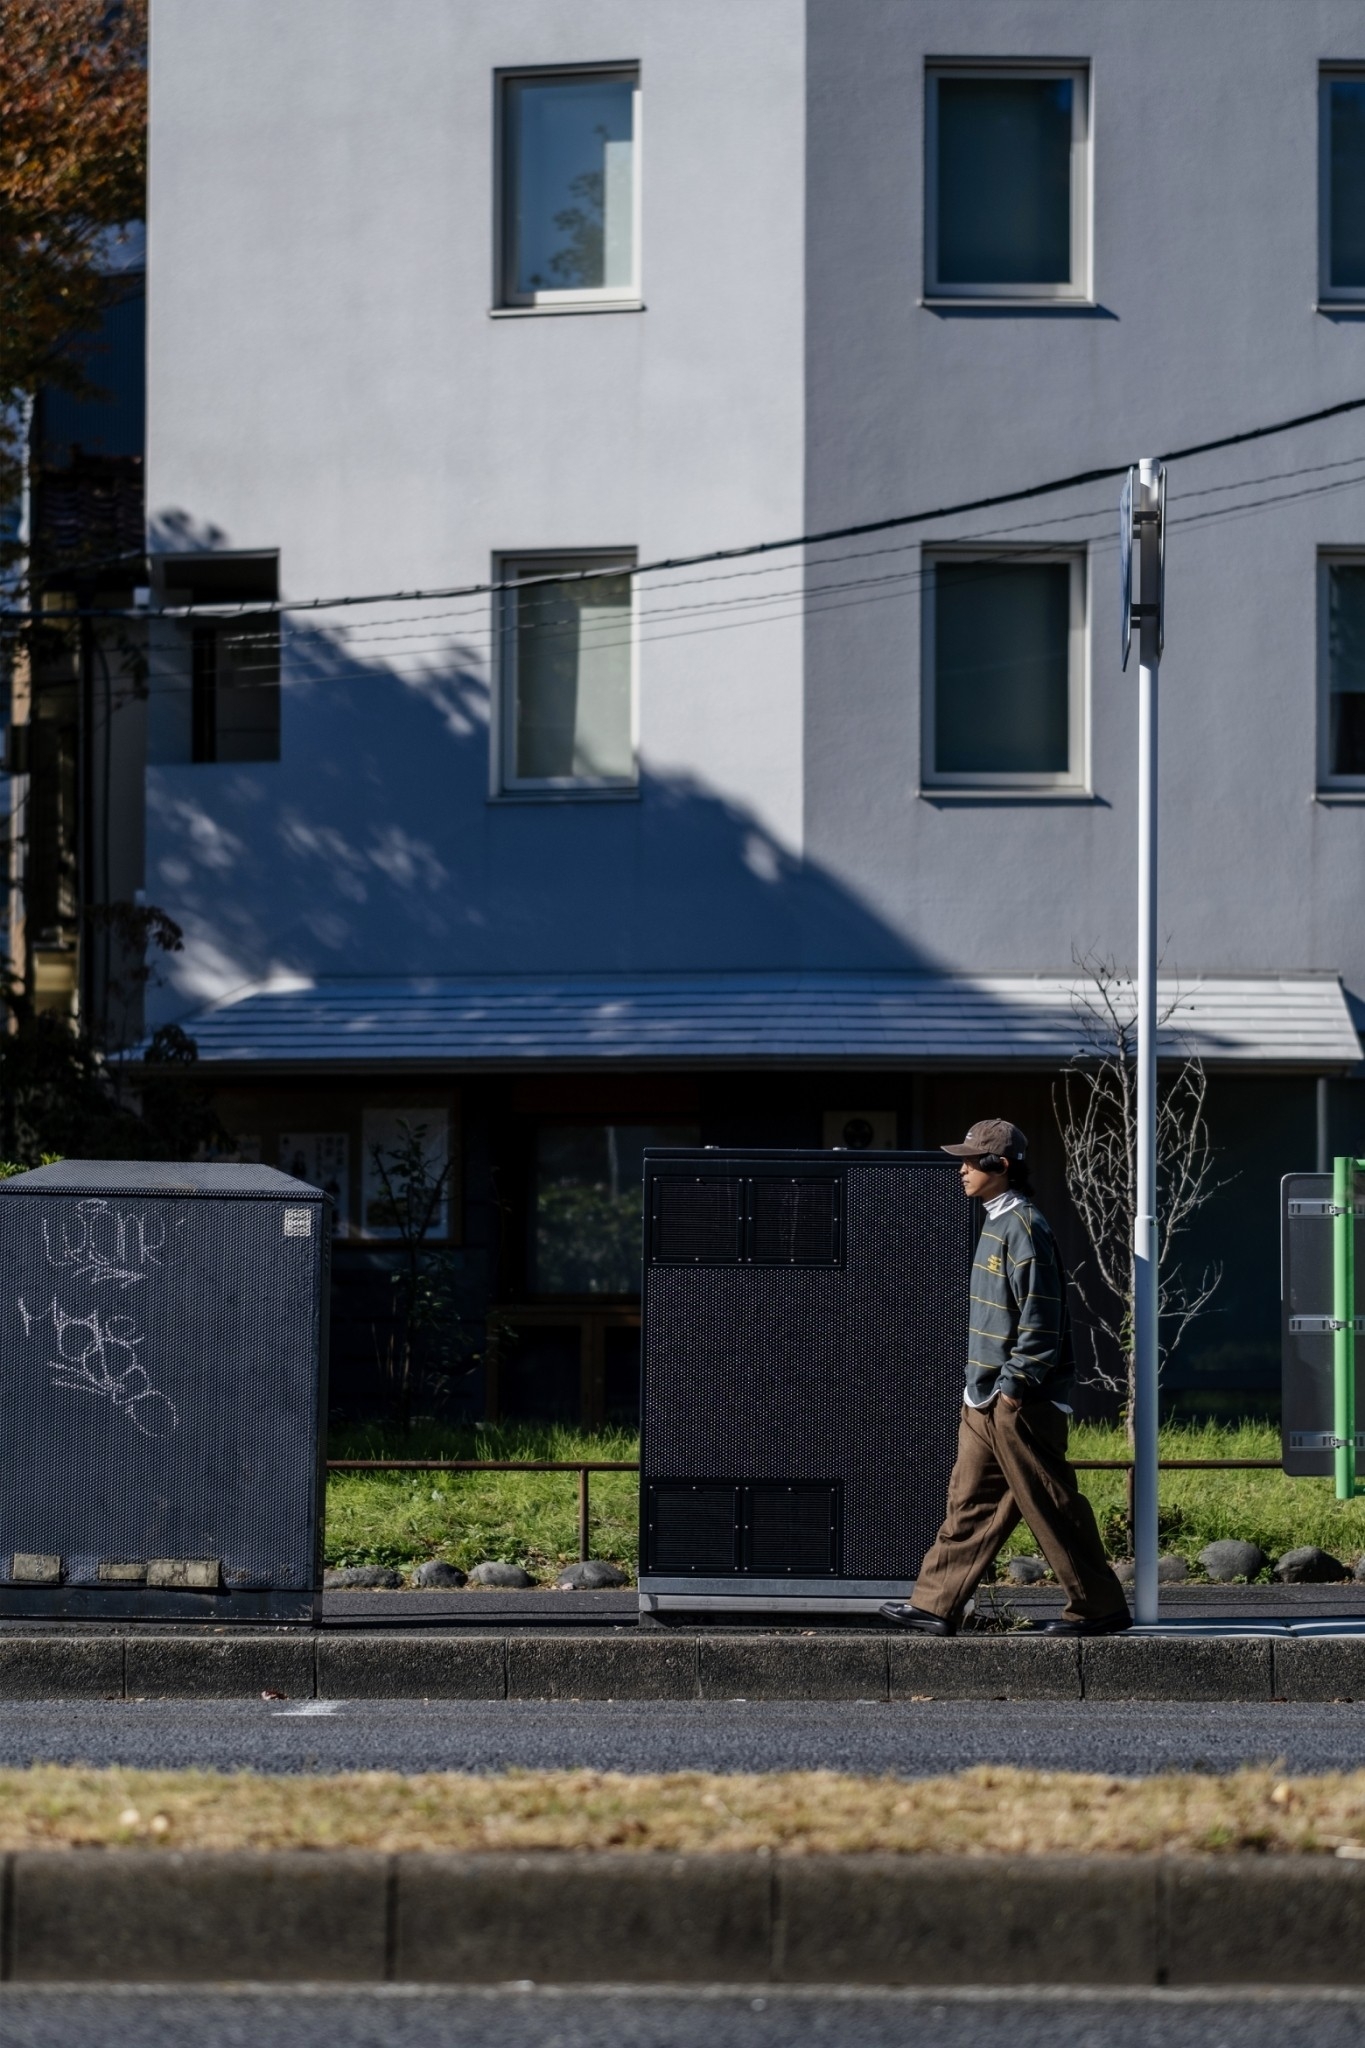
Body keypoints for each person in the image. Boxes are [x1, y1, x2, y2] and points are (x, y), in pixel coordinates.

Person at [880, 1118, 1130, 1638]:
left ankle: (1099, 1608)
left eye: (972, 1160)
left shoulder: (1025, 1225)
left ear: (1001, 1165)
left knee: (1050, 1504)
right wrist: (987, 1389)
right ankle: (935, 1605)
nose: (962, 1169)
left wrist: (1015, 1385)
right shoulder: (997, 1221)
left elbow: (1041, 1316)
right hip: (983, 1394)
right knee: (969, 1502)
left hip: (1018, 1400)